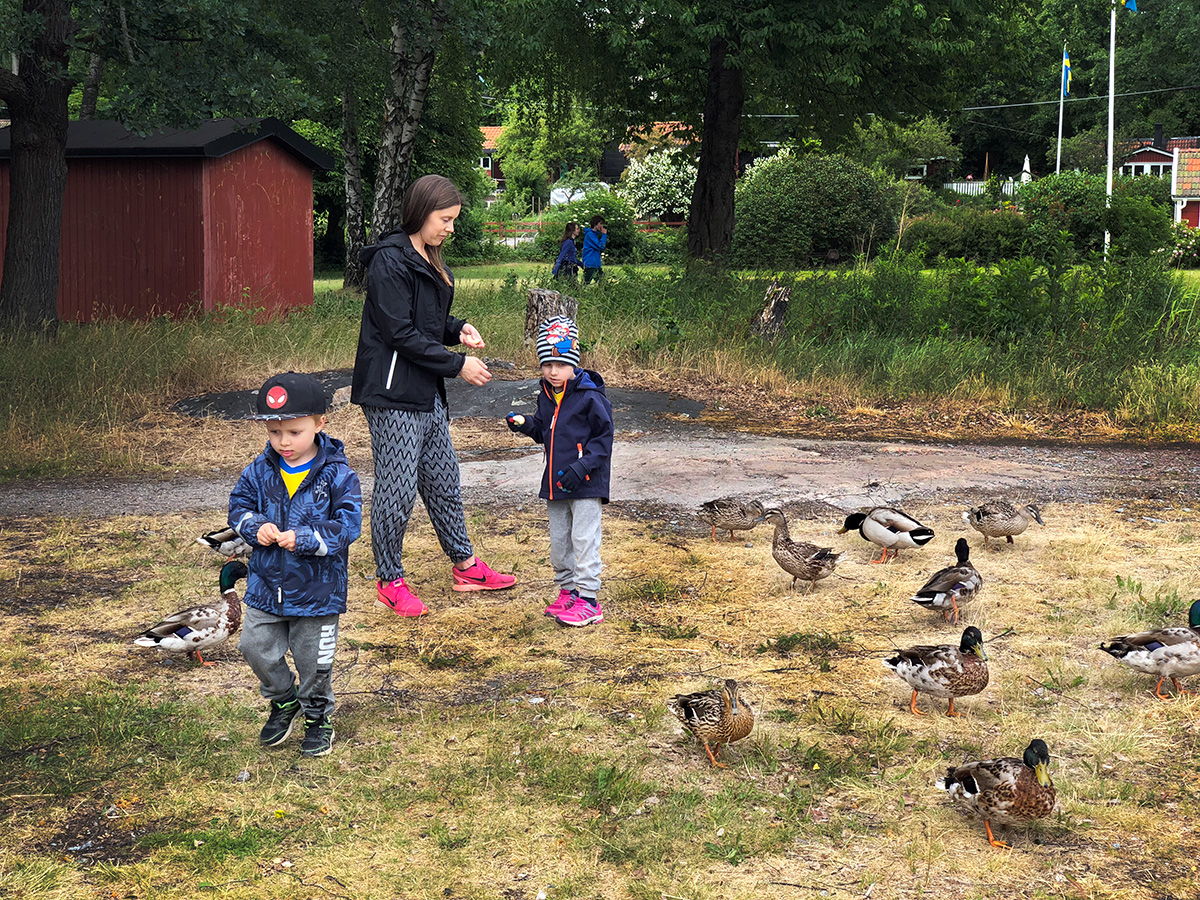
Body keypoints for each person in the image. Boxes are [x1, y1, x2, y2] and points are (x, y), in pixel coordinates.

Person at [352, 173, 516, 618]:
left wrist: (457, 328)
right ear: (421, 212)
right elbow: (399, 333)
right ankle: (389, 581)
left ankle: (466, 566)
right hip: (391, 393)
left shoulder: (429, 259)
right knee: (398, 489)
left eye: (453, 220)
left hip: (426, 392)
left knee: (444, 481)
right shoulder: (389, 262)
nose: (450, 228)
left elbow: (425, 322)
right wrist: (457, 364)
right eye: (445, 219)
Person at [229, 372, 363, 757]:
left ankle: (318, 717)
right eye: (274, 433)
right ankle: (284, 699)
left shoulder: (338, 475)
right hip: (265, 588)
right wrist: (255, 526)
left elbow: (348, 526)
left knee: (314, 663)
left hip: (318, 593)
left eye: (294, 432)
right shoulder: (259, 469)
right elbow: (239, 507)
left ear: (320, 424)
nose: (284, 442)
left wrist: (304, 538)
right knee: (254, 647)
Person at [506, 316, 614, 626]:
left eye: (561, 364)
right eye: (547, 364)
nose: (553, 371)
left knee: (584, 539)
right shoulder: (546, 395)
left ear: (573, 363)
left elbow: (604, 439)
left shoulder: (590, 396)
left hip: (586, 483)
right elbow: (544, 430)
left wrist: (582, 467)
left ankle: (589, 601)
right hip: (556, 484)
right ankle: (568, 592)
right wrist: (526, 424)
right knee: (559, 543)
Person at [581, 215, 607, 284]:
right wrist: (604, 235)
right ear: (595, 224)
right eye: (600, 224)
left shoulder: (594, 235)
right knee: (586, 283)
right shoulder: (590, 235)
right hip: (590, 263)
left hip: (595, 263)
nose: (602, 226)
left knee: (602, 282)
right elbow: (600, 246)